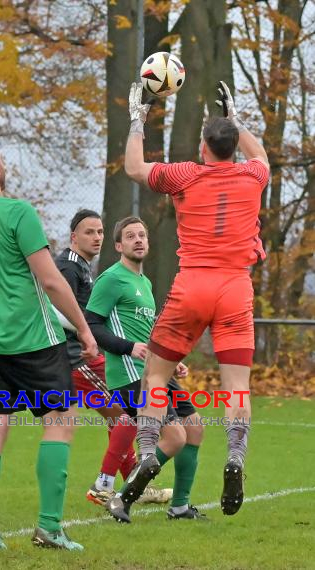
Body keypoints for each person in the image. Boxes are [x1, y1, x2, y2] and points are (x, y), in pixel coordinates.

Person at [110, 81, 270, 521]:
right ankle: (235, 456)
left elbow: (135, 167)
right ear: (232, 146)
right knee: (237, 385)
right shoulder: (252, 175)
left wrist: (138, 119)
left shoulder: (185, 173)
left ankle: (146, 451)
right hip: (235, 287)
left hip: (193, 283)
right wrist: (236, 121)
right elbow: (262, 158)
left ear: (203, 147)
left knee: (156, 375)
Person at [0, 137, 97, 551]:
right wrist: (83, 330)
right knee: (61, 421)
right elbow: (51, 280)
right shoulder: (16, 212)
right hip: (32, 339)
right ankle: (48, 528)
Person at [85, 216, 205, 523]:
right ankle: (122, 499)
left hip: (154, 369)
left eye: (142, 235)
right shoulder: (111, 279)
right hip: (130, 374)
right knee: (175, 437)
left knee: (194, 427)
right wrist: (128, 347)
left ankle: (179, 507)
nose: (138, 240)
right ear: (118, 245)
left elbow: (148, 332)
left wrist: (169, 357)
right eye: (130, 236)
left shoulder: (144, 282)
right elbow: (91, 325)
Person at [55, 209, 171, 506]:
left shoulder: (82, 266)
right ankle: (108, 483)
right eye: (89, 232)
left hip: (83, 354)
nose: (96, 237)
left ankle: (129, 483)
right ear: (73, 237)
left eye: (100, 232)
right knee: (127, 414)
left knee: (121, 417)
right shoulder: (69, 266)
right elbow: (57, 311)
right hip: (76, 357)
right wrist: (87, 334)